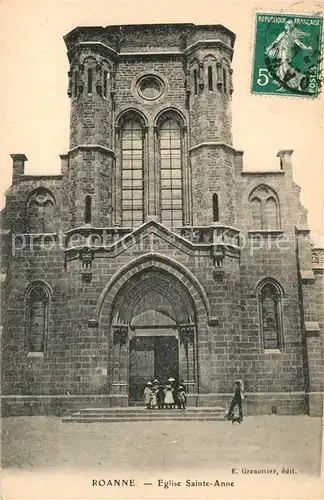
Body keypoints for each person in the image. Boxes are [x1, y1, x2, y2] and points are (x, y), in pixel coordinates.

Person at [265, 20, 312, 91]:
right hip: (281, 52)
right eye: (285, 25)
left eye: (286, 25)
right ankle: (284, 85)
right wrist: (269, 48)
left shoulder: (292, 35)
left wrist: (307, 48)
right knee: (282, 68)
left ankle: (299, 78)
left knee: (285, 68)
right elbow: (276, 42)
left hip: (286, 52)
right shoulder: (283, 34)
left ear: (290, 26)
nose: (285, 26)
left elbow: (300, 44)